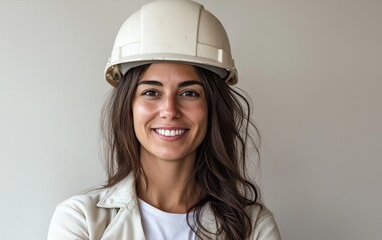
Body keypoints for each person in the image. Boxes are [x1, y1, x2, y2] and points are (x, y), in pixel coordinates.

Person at [47, 0, 281, 239]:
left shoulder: (254, 227)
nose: (170, 110)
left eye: (189, 93)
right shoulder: (79, 220)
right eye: (151, 92)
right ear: (128, 107)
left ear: (212, 108)